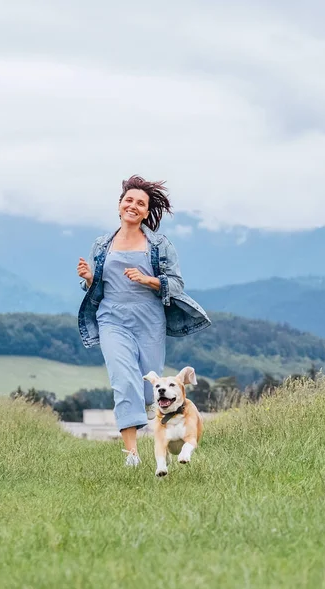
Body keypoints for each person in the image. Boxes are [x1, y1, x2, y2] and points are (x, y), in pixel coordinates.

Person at [77, 175, 211, 466]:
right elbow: (95, 288)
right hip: (111, 319)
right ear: (119, 205)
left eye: (140, 203)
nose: (133, 206)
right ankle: (132, 454)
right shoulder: (102, 245)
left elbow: (176, 284)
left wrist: (148, 280)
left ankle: (159, 419)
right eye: (129, 200)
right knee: (124, 381)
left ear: (147, 212)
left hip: (149, 321)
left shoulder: (160, 244)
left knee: (150, 386)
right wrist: (89, 279)